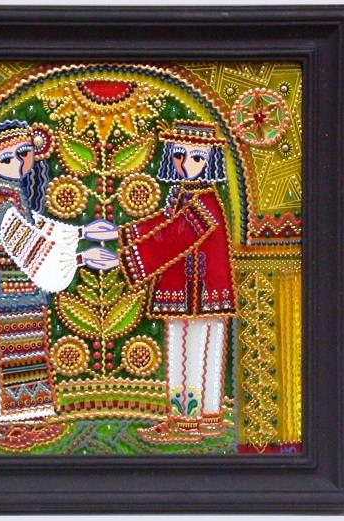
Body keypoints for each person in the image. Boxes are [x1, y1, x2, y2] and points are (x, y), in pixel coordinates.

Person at [0, 119, 117, 448]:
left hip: (19, 290)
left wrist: (82, 233)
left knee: (23, 351)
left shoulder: (15, 198)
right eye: (7, 158)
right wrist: (81, 259)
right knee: (2, 354)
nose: (17, 163)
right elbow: (30, 246)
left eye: (23, 154)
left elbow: (39, 228)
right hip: (0, 292)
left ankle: (24, 418)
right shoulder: (0, 204)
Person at [116, 120, 236, 442]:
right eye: (179, 156)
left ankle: (185, 422)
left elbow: (176, 235)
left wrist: (130, 258)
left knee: (191, 350)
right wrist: (125, 234)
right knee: (200, 350)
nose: (186, 164)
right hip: (193, 290)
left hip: (196, 291)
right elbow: (165, 223)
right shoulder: (185, 196)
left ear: (210, 160)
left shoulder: (204, 202)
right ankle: (207, 418)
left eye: (196, 158)